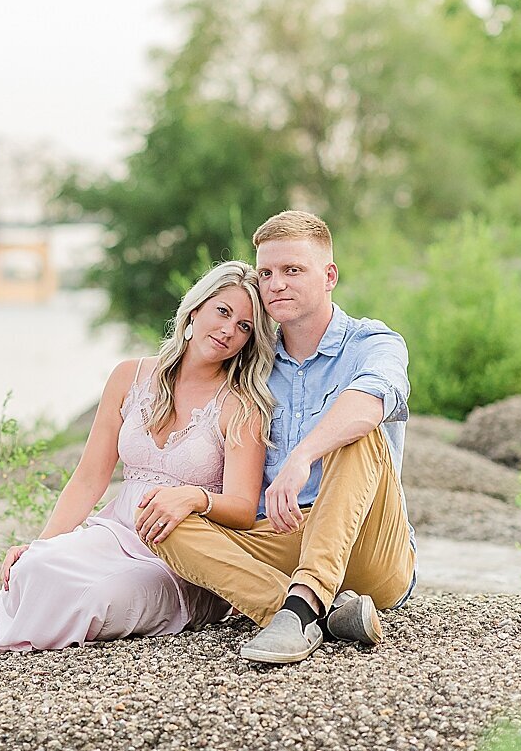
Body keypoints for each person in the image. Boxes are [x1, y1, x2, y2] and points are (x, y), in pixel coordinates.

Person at [0, 260, 277, 652]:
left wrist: (195, 497)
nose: (228, 330)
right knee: (33, 565)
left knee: (96, 598)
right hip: (114, 533)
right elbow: (89, 478)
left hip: (181, 557)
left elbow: (242, 508)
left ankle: (0, 621)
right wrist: (42, 543)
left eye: (244, 327)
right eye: (222, 311)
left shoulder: (241, 406)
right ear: (195, 309)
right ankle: (5, 613)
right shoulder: (128, 376)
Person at [147, 210, 416, 664]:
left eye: (292, 270)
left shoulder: (373, 342)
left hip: (367, 543)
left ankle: (304, 604)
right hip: (281, 538)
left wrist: (303, 456)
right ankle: (309, 612)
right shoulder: (251, 361)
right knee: (161, 521)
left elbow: (371, 400)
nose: (276, 285)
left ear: (329, 276)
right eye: (267, 273)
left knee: (357, 433)